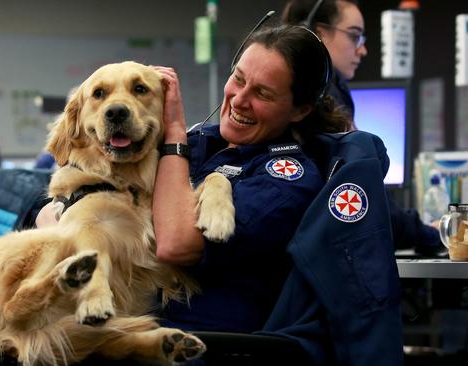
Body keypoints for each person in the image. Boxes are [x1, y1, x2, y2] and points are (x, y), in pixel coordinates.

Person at [152, 22, 351, 345]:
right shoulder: (202, 142)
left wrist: (173, 132)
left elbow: (174, 244)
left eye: (262, 93)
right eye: (239, 79)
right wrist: (58, 206)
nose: (239, 99)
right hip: (133, 325)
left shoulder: (288, 179)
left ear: (299, 109)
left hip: (201, 344)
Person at [282, 0, 442, 254]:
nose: (363, 50)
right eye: (355, 36)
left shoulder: (298, 95)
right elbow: (368, 200)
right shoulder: (324, 99)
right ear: (320, 34)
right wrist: (433, 235)